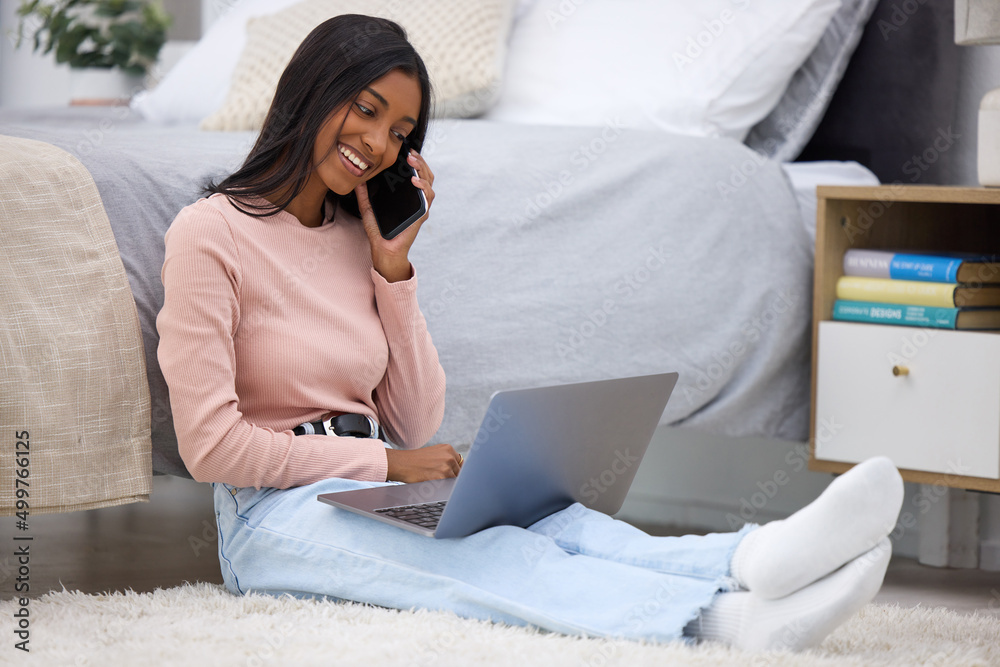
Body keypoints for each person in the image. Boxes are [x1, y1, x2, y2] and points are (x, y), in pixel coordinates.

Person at [156, 14, 904, 652]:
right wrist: (385, 464)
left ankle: (755, 555)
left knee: (555, 517)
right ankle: (721, 619)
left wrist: (394, 272)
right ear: (312, 90)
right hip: (270, 514)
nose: (378, 142)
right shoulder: (210, 234)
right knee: (493, 557)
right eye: (365, 107)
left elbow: (416, 420)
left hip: (370, 483)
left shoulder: (363, 240)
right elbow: (211, 446)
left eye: (401, 131)